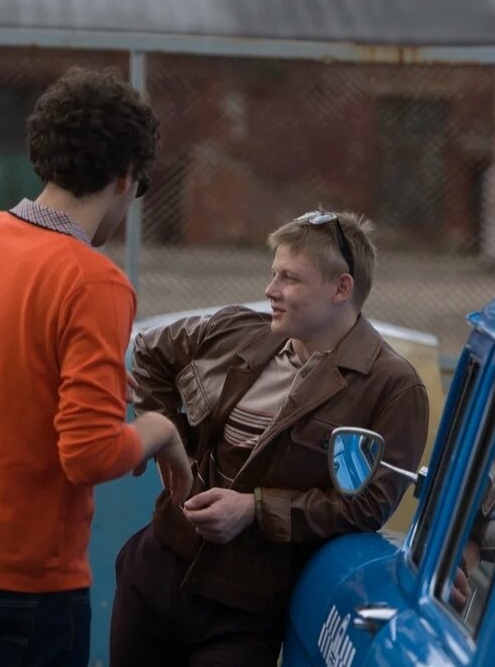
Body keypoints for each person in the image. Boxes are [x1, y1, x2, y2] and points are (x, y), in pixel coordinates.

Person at [0, 67, 192, 667]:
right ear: (126, 176)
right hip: (26, 585)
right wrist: (160, 430)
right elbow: (90, 455)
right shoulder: (95, 281)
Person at [110, 210, 429, 666]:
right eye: (273, 273)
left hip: (245, 612)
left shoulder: (392, 387)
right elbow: (148, 352)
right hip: (157, 567)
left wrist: (254, 509)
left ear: (341, 288)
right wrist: (172, 445)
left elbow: (368, 506)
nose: (270, 290)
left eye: (290, 278)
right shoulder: (236, 331)